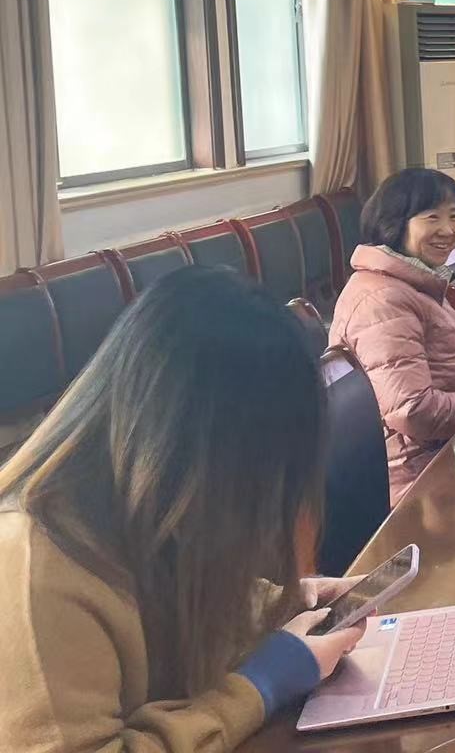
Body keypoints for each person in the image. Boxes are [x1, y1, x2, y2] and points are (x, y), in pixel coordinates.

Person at [0, 267, 366, 749]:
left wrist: (285, 602)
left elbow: (171, 599)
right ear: (195, 451)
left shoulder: (144, 508)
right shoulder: (36, 566)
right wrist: (258, 687)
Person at [329, 167, 455, 501]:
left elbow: (454, 383)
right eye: (432, 217)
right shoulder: (383, 300)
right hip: (416, 480)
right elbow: (413, 411)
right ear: (395, 223)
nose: (448, 230)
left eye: (454, 216)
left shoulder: (416, 283)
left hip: (449, 451)